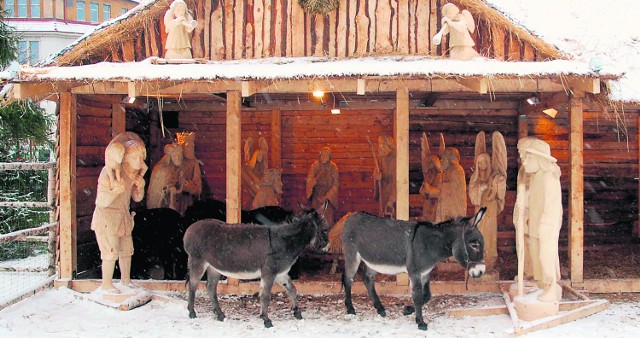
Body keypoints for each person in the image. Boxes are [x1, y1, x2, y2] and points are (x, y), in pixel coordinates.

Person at [91, 132, 147, 293]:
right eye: (135, 158)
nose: (140, 162)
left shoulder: (132, 175)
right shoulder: (108, 173)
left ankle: (126, 281)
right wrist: (115, 191)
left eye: (141, 158)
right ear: (126, 158)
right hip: (108, 218)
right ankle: (106, 284)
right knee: (110, 251)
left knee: (126, 250)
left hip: (123, 217)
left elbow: (136, 198)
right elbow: (101, 201)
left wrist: (140, 187)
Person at [517, 137, 563, 302]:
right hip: (536, 224)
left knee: (546, 255)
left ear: (539, 158)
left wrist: (546, 223)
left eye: (529, 158)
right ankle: (543, 283)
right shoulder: (535, 177)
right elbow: (533, 200)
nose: (525, 162)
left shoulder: (548, 176)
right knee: (537, 253)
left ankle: (552, 286)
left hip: (546, 224)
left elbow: (552, 203)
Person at [468, 131, 507, 271]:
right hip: (479, 211)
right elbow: (472, 195)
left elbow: (498, 194)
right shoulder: (475, 178)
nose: (483, 164)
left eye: (485, 161)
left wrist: (497, 184)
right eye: (480, 162)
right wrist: (479, 188)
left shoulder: (493, 176)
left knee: (490, 237)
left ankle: (489, 260)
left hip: (489, 211)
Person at [306, 147, 339, 228]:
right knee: (316, 219)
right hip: (317, 195)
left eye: (326, 155)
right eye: (323, 154)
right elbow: (309, 180)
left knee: (328, 219)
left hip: (327, 197)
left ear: (329, 156)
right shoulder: (315, 166)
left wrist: (327, 196)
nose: (324, 156)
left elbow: (335, 184)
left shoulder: (333, 167)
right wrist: (314, 181)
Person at [146, 142, 184, 211]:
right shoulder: (163, 170)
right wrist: (169, 188)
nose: (178, 158)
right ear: (170, 156)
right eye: (175, 156)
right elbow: (156, 195)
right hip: (160, 207)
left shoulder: (176, 168)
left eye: (180, 155)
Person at [434, 146, 467, 223]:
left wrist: (440, 186)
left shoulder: (457, 170)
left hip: (453, 210)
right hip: (446, 209)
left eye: (443, 158)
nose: (441, 161)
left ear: (450, 159)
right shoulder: (446, 172)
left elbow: (454, 188)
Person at [175, 132, 202, 215]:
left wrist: (187, 186)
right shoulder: (175, 162)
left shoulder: (194, 163)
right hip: (175, 200)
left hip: (188, 202)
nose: (191, 148)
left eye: (192, 146)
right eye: (188, 146)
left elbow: (198, 188)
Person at [419, 132, 443, 222]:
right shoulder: (428, 175)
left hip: (436, 205)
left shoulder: (440, 175)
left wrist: (429, 189)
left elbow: (439, 191)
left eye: (431, 163)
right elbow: (423, 189)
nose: (429, 166)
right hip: (427, 204)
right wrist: (423, 189)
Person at [242, 137, 269, 209]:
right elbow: (248, 169)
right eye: (258, 156)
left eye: (261, 156)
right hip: (253, 184)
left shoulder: (263, 162)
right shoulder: (249, 166)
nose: (260, 157)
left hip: (258, 184)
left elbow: (264, 172)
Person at [373, 135, 396, 218]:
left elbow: (398, 181)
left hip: (392, 194)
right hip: (383, 193)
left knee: (392, 216)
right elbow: (377, 171)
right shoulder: (380, 157)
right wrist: (377, 177)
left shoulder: (396, 159)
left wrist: (392, 200)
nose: (380, 147)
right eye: (379, 145)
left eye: (382, 145)